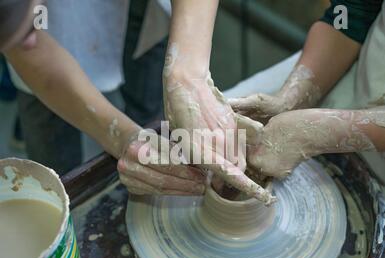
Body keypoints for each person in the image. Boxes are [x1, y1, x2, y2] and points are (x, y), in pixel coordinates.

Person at [1, 0, 273, 203]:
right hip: (59, 15)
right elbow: (31, 48)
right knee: (54, 150)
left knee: (156, 102)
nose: (26, 41)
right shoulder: (30, 24)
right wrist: (121, 137)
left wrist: (187, 74)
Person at [227, 0, 385, 184]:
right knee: (217, 124)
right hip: (352, 65)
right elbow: (350, 14)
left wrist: (319, 131)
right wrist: (290, 100)